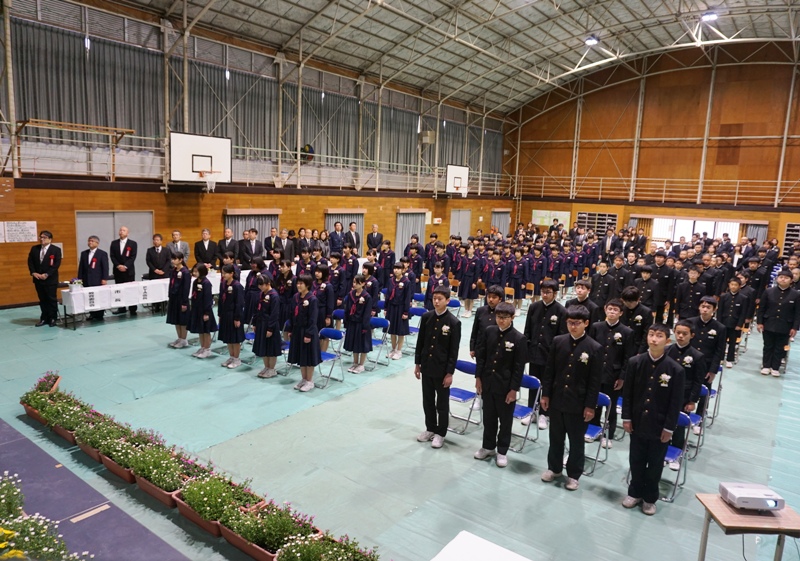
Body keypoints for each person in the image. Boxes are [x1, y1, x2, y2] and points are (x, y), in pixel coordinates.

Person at [621, 324, 685, 516]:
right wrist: (627, 417)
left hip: (659, 425)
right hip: (637, 421)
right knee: (636, 459)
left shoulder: (675, 369)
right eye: (651, 335)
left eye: (659, 336)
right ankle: (634, 492)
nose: (654, 339)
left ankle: (650, 498)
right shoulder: (635, 362)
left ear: (667, 341)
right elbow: (628, 393)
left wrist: (669, 428)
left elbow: (675, 403)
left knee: (655, 463)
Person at [540, 305, 603, 491]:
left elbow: (595, 381)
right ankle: (554, 468)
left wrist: (590, 406)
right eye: (569, 323)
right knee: (555, 437)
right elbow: (549, 371)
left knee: (576, 441)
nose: (573, 326)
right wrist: (546, 394)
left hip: (578, 403)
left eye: (577, 323)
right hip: (557, 398)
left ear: (586, 323)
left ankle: (574, 475)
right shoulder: (558, 341)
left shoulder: (594, 348)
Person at [473, 302, 527, 468]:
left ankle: (502, 451)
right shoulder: (489, 331)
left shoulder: (519, 338)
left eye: (505, 317)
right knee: (488, 418)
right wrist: (478, 377)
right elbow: (482, 356)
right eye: (498, 317)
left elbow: (519, 368)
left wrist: (513, 390)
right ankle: (488, 447)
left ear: (512, 317)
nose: (501, 320)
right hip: (488, 382)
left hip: (505, 387)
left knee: (505, 421)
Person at [415, 286, 462, 449]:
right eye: (434, 298)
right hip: (427, 366)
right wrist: (417, 364)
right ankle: (430, 428)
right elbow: (420, 342)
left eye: (440, 299)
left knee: (441, 403)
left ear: (447, 301)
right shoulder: (427, 317)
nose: (436, 301)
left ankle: (440, 433)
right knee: (427, 400)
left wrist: (449, 373)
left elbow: (453, 351)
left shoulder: (453, 322)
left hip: (442, 370)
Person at [588, 299, 634, 448]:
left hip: (613, 375)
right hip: (596, 372)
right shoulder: (596, 327)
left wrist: (622, 377)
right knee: (594, 403)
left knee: (611, 407)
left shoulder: (627, 332)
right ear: (605, 310)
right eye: (610, 309)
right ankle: (593, 430)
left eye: (615, 310)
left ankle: (609, 435)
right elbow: (590, 349)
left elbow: (628, 357)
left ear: (621, 313)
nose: (612, 312)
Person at [523, 278, 566, 429]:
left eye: (548, 292)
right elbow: (527, 330)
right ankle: (532, 411)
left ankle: (544, 414)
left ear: (555, 293)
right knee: (533, 383)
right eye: (543, 292)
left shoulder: (561, 311)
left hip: (549, 354)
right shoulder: (534, 307)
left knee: (547, 385)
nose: (545, 295)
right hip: (534, 352)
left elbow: (562, 336)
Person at [665, 319, 706, 468]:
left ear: (692, 335)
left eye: (685, 333)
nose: (681, 336)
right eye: (678, 333)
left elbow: (698, 381)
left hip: (684, 396)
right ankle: (663, 451)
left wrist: (692, 400)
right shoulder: (667, 350)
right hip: (666, 393)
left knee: (678, 426)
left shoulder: (697, 356)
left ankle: (677, 454)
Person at [690, 297, 726, 431]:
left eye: (708, 307)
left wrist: (713, 370)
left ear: (714, 310)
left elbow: (719, 351)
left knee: (703, 393)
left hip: (706, 366)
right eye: (703, 306)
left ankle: (699, 419)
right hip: (689, 363)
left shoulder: (720, 328)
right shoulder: (690, 322)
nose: (705, 309)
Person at [757, 269, 800, 377]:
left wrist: (795, 327)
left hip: (785, 325)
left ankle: (775, 367)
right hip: (769, 323)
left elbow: (797, 313)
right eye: (781, 277)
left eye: (786, 278)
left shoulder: (796, 294)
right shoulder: (768, 291)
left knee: (780, 347)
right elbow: (761, 308)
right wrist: (759, 322)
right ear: (777, 279)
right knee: (768, 346)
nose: (783, 279)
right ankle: (766, 366)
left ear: (791, 280)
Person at [286, 275, 322, 392]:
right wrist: (291, 329)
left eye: (301, 283)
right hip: (297, 330)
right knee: (301, 356)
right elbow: (292, 314)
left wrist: (308, 334)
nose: (298, 285)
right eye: (298, 283)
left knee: (308, 357)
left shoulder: (312, 299)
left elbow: (313, 318)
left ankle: (309, 381)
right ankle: (303, 379)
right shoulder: (295, 297)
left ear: (307, 285)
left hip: (307, 331)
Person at [253, 273, 282, 378]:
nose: (260, 287)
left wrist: (270, 328)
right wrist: (255, 323)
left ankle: (272, 369)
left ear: (268, 283)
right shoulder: (261, 294)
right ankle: (266, 367)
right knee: (264, 347)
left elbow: (274, 314)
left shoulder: (274, 296)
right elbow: (257, 309)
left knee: (271, 349)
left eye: (262, 285)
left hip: (270, 325)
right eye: (259, 285)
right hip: (261, 323)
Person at [717, 277, 750, 368]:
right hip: (723, 323)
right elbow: (719, 311)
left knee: (732, 343)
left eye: (735, 285)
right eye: (732, 284)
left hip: (735, 324)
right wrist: (719, 323)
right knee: (721, 342)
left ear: (739, 286)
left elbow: (743, 313)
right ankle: (720, 358)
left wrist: (740, 324)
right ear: (729, 285)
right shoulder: (724, 297)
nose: (733, 287)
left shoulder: (743, 298)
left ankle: (729, 359)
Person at [343, 275, 373, 373]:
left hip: (362, 324)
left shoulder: (367, 297)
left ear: (363, 284)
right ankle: (355, 363)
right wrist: (346, 321)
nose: (354, 284)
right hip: (352, 322)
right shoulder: (351, 294)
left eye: (357, 283)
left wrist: (365, 327)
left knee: (362, 345)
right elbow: (347, 308)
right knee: (354, 344)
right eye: (354, 282)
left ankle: (361, 364)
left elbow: (367, 313)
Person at [218, 264, 245, 369]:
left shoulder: (237, 286)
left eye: (225, 273)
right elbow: (220, 300)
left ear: (232, 273)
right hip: (225, 314)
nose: (223, 275)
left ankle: (237, 359)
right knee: (228, 337)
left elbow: (239, 303)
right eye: (222, 273)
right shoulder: (223, 284)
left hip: (234, 314)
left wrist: (237, 318)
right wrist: (220, 314)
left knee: (235, 338)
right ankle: (231, 357)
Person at [187, 264, 218, 359]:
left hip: (205, 310)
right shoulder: (195, 282)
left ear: (202, 272)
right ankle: (202, 347)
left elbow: (208, 299)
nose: (194, 273)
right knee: (200, 330)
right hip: (196, 309)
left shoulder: (206, 283)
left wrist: (206, 313)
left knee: (206, 330)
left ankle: (207, 349)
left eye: (196, 271)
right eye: (193, 271)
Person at [77, 235, 109, 321]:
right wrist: (80, 278)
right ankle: (92, 314)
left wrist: (104, 278)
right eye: (89, 241)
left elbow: (105, 267)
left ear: (97, 243)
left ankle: (100, 314)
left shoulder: (102, 254)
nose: (90, 242)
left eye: (92, 241)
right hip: (87, 279)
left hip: (97, 279)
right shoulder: (84, 253)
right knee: (89, 297)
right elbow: (81, 267)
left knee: (98, 297)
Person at [385, 263, 412, 359]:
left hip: (401, 308)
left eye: (398, 269)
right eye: (395, 268)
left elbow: (407, 298)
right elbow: (388, 294)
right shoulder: (390, 280)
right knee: (392, 330)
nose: (396, 270)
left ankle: (399, 351)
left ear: (403, 270)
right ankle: (393, 349)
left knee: (400, 331)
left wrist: (406, 312)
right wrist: (386, 308)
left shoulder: (406, 282)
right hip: (391, 307)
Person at [110, 226, 138, 316]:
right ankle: (121, 308)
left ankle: (132, 309)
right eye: (120, 230)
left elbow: (133, 257)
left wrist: (125, 266)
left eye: (124, 230)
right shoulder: (114, 243)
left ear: (127, 233)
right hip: (118, 271)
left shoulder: (133, 243)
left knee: (130, 290)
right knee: (119, 290)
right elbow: (112, 256)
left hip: (128, 271)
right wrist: (118, 265)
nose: (121, 231)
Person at [166, 252, 191, 349]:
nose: (172, 261)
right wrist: (170, 297)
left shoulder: (185, 272)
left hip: (181, 299)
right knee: (176, 319)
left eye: (175, 259)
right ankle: (179, 338)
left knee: (182, 320)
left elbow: (186, 288)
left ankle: (184, 339)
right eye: (172, 259)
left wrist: (184, 302)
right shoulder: (173, 271)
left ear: (181, 260)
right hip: (174, 298)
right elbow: (171, 284)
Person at [620, 286, 653, 353]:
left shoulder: (646, 312)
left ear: (638, 299)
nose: (628, 304)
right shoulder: (622, 309)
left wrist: (641, 351)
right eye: (625, 301)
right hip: (622, 344)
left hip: (636, 346)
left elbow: (646, 333)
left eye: (631, 302)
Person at [312, 264, 335, 352]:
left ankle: (322, 353)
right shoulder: (313, 284)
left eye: (319, 272)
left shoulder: (328, 286)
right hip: (314, 311)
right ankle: (316, 352)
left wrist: (328, 316)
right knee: (316, 332)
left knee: (324, 334)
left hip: (323, 312)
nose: (317, 273)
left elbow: (330, 302)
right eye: (316, 271)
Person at [458, 244, 480, 318]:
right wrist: (460, 280)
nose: (469, 250)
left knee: (470, 296)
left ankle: (470, 310)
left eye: (471, 249)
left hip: (472, 279)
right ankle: (466, 310)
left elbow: (477, 272)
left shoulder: (476, 260)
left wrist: (475, 282)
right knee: (465, 295)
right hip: (464, 278)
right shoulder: (464, 258)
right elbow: (461, 270)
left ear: (474, 250)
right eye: (468, 249)